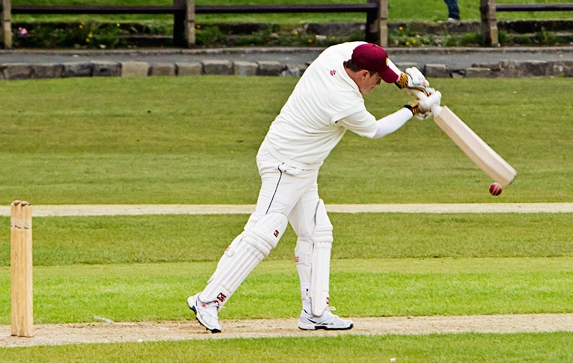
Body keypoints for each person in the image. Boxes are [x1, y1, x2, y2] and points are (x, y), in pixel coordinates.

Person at [187, 42, 441, 333]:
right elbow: (375, 130)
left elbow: (366, 49)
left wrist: (403, 80)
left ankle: (316, 311)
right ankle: (207, 300)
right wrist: (414, 108)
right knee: (264, 232)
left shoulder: (334, 55)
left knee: (318, 233)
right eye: (377, 79)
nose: (378, 84)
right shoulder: (342, 100)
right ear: (363, 75)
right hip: (286, 164)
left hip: (303, 167)